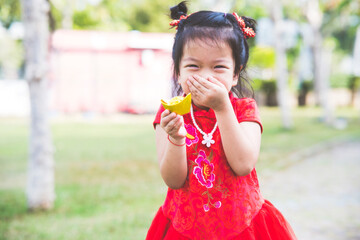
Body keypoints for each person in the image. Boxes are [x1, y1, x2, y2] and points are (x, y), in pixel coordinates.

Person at [146, 2, 297, 239]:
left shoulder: (243, 109)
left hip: (241, 226)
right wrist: (176, 138)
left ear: (235, 74)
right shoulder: (170, 113)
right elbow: (173, 180)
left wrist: (223, 107)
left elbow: (243, 163)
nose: (206, 76)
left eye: (218, 67)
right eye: (193, 66)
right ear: (178, 72)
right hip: (185, 228)